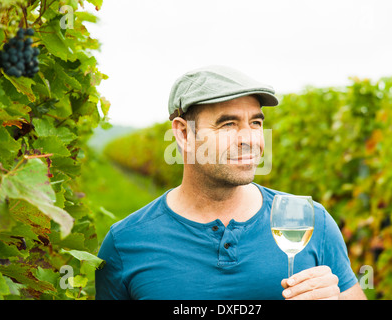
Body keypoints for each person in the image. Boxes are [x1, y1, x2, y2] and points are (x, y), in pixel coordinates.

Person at [95, 65, 367, 300]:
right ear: (182, 133)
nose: (249, 139)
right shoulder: (125, 243)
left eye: (256, 123)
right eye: (228, 124)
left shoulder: (310, 221)